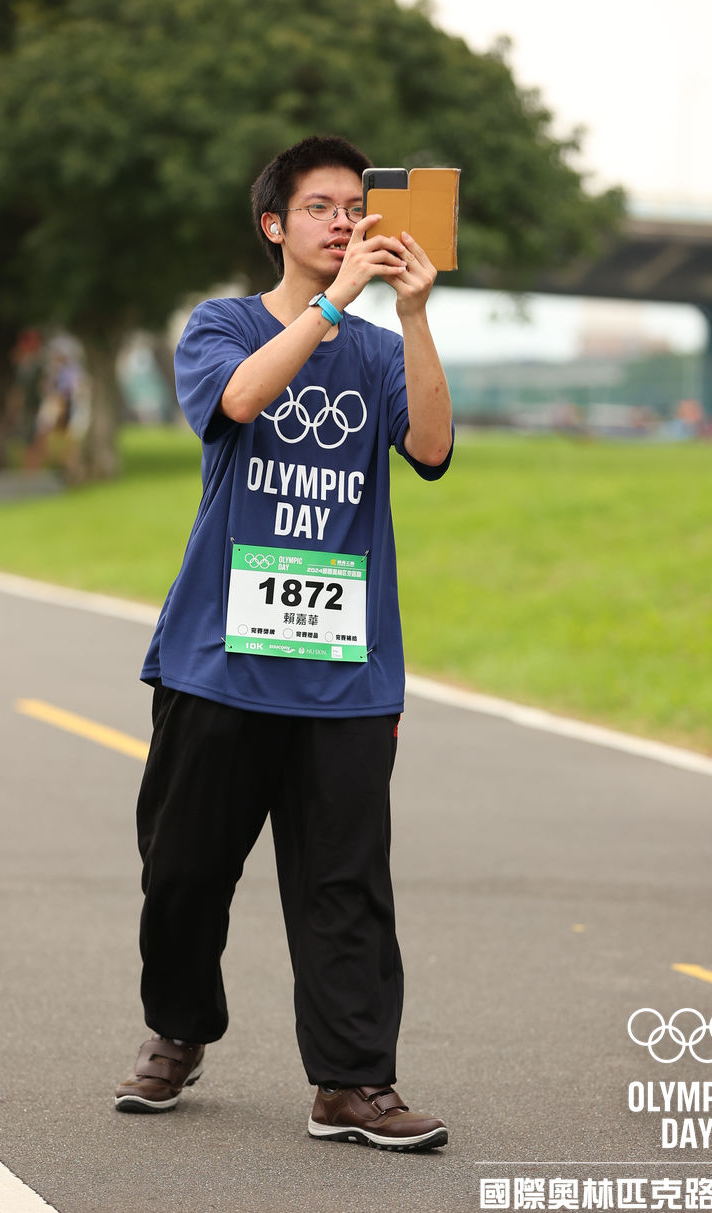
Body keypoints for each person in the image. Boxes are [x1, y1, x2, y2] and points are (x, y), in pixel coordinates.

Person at [115, 135, 454, 1152]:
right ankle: (179, 1029)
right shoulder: (221, 326)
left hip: (344, 673)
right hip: (215, 662)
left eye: (356, 206)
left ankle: (352, 1082)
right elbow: (239, 400)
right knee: (182, 873)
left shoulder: (381, 350)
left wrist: (412, 315)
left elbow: (431, 447)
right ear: (274, 224)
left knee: (344, 887)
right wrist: (333, 305)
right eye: (320, 207)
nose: (344, 221)